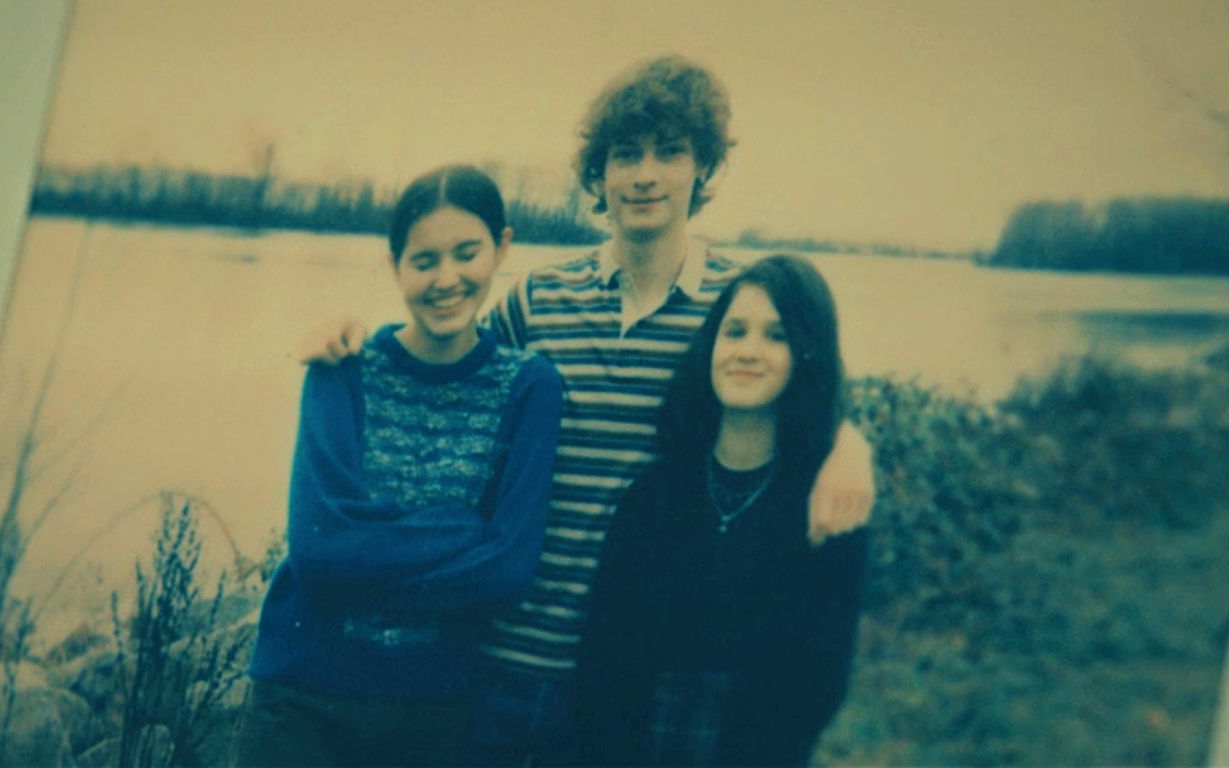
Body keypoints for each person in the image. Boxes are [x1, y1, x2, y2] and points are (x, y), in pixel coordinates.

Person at [305, 55, 875, 764]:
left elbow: (803, 382)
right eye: (625, 155)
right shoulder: (541, 299)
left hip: (623, 673)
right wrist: (353, 339)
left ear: (702, 170)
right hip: (493, 655)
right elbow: (446, 353)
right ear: (598, 176)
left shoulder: (733, 308)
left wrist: (851, 444)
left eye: (670, 152)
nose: (644, 174)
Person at [237, 165, 564, 766]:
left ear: (503, 249)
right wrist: (462, 529)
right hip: (304, 696)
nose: (447, 280)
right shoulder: (342, 371)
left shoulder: (530, 388)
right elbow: (318, 554)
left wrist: (372, 541)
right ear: (394, 268)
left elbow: (510, 569)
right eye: (423, 261)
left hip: (434, 708)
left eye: (467, 254)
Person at [576, 255, 866, 766]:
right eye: (734, 331)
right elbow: (602, 664)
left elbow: (819, 684)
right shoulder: (653, 494)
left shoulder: (824, 506)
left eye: (776, 336)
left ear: (807, 354)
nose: (748, 352)